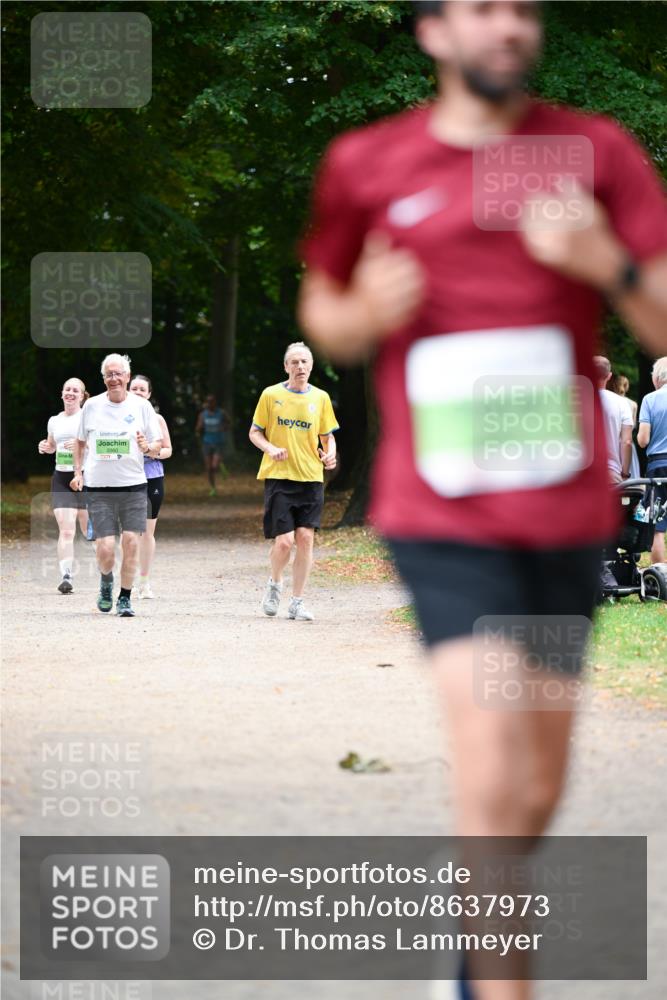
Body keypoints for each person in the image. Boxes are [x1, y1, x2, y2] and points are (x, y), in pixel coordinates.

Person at [298, 2, 667, 996]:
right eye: (481, 8)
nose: (507, 25)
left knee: (536, 785)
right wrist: (360, 316)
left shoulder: (593, 153)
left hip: (560, 519)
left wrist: (611, 267)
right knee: (494, 763)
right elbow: (322, 305)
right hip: (443, 517)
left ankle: (465, 959)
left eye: (520, 8)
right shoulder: (369, 164)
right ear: (430, 31)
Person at [249, 342, 338, 621]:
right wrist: (270, 448)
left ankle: (297, 602)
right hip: (279, 477)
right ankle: (275, 583)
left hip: (311, 478)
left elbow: (327, 436)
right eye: (295, 362)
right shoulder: (270, 394)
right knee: (285, 542)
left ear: (311, 367)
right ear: (286, 367)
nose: (300, 367)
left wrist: (330, 455)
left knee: (306, 539)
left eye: (304, 362)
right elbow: (255, 432)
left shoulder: (321, 398)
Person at [71, 354, 162, 618]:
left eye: (118, 374)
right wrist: (78, 471)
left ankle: (124, 596)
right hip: (99, 486)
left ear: (128, 376)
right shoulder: (92, 406)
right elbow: (79, 441)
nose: (114, 379)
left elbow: (157, 444)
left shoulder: (142, 407)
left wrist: (148, 447)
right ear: (103, 379)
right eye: (108, 375)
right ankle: (106, 581)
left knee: (132, 541)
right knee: (106, 547)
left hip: (133, 485)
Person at [37, 377, 90, 594]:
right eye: (67, 389)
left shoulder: (86, 419)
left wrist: (81, 447)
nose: (70, 393)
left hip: (86, 477)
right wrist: (45, 446)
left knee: (88, 530)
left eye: (75, 390)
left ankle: (108, 573)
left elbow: (97, 447)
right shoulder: (54, 421)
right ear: (61, 393)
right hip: (61, 478)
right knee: (67, 530)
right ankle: (66, 576)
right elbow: (51, 446)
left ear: (81, 395)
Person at [129, 374, 173, 598]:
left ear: (148, 394)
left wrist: (151, 452)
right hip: (126, 478)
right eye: (133, 388)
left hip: (152, 478)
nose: (137, 392)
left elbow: (168, 450)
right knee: (129, 533)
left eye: (141, 389)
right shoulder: (120, 418)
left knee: (146, 532)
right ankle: (128, 581)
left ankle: (144, 582)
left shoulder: (157, 419)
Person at [637, 356, 667, 564]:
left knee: (657, 527)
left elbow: (643, 440)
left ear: (657, 377)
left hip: (659, 467)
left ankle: (661, 578)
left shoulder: (650, 399)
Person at [594, 355, 633, 483]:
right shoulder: (621, 403)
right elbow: (626, 441)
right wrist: (625, 473)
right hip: (610, 472)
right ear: (609, 376)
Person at [196, 395, 229, 495]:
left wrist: (224, 428)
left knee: (214, 466)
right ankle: (213, 488)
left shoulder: (221, 413)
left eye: (212, 402)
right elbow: (198, 427)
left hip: (218, 442)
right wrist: (198, 429)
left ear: (215, 402)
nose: (210, 404)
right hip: (207, 442)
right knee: (209, 468)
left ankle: (220, 465)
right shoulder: (203, 415)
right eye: (208, 402)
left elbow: (229, 422)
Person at [610, 371, 640, 477]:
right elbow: (633, 426)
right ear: (627, 387)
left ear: (614, 385)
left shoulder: (610, 401)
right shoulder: (633, 404)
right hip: (626, 441)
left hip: (612, 442)